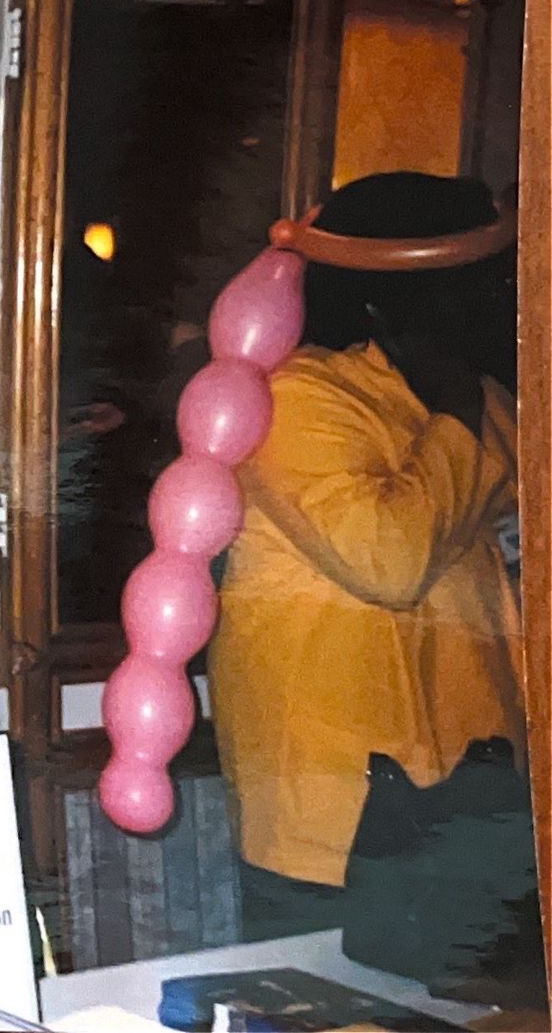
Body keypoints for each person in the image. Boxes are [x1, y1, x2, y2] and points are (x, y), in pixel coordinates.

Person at [208, 172, 526, 959]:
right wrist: (453, 418)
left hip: (475, 805)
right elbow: (389, 559)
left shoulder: (485, 399)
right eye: (477, 285)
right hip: (337, 824)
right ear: (394, 303)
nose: (501, 304)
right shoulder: (297, 402)